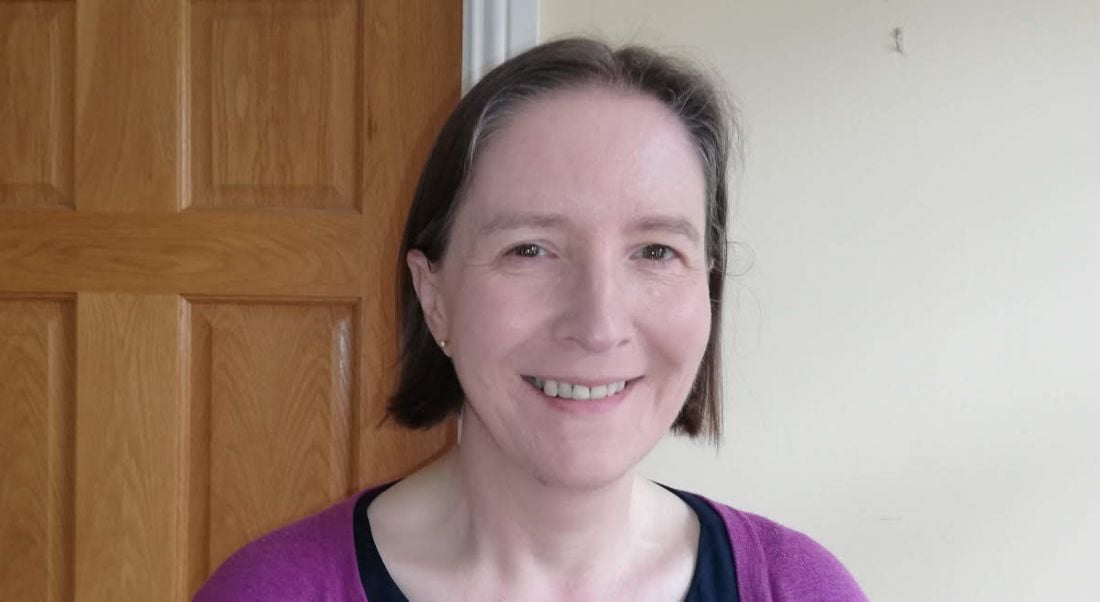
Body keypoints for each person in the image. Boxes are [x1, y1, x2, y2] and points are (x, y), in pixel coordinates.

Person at [194, 37, 867, 602]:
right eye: (530, 249)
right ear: (434, 298)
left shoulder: (799, 588)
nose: (599, 324)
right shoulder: (270, 590)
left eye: (657, 251)